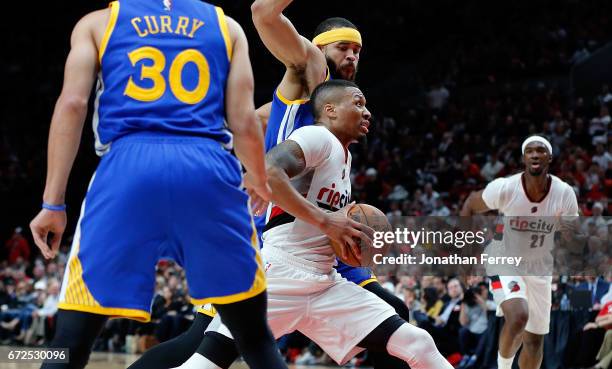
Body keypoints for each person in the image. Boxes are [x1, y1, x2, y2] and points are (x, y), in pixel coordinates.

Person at [28, 0, 294, 368]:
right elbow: (244, 120)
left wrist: (52, 204)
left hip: (127, 168)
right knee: (255, 339)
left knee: (70, 341)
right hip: (208, 168)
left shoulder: (98, 22)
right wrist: (260, 181)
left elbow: (73, 104)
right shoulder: (227, 26)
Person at [175, 80, 453, 369]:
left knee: (417, 343)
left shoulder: (344, 156)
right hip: (279, 275)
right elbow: (270, 169)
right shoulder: (317, 136)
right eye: (358, 103)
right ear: (330, 110)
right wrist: (326, 221)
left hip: (324, 283)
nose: (367, 112)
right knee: (203, 365)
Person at [250, 2, 412, 367]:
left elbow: (255, 119)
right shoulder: (310, 66)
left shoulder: (333, 103)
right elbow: (263, 12)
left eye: (357, 50)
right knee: (215, 339)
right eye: (343, 47)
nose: (353, 56)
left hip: (323, 238)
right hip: (287, 233)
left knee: (394, 314)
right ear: (318, 47)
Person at [461, 135, 580, 369]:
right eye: (530, 151)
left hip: (540, 266)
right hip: (504, 258)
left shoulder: (564, 193)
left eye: (541, 150)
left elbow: (572, 237)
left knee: (534, 342)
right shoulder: (505, 188)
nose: (535, 154)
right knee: (518, 316)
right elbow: (469, 205)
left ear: (550, 158)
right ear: (524, 158)